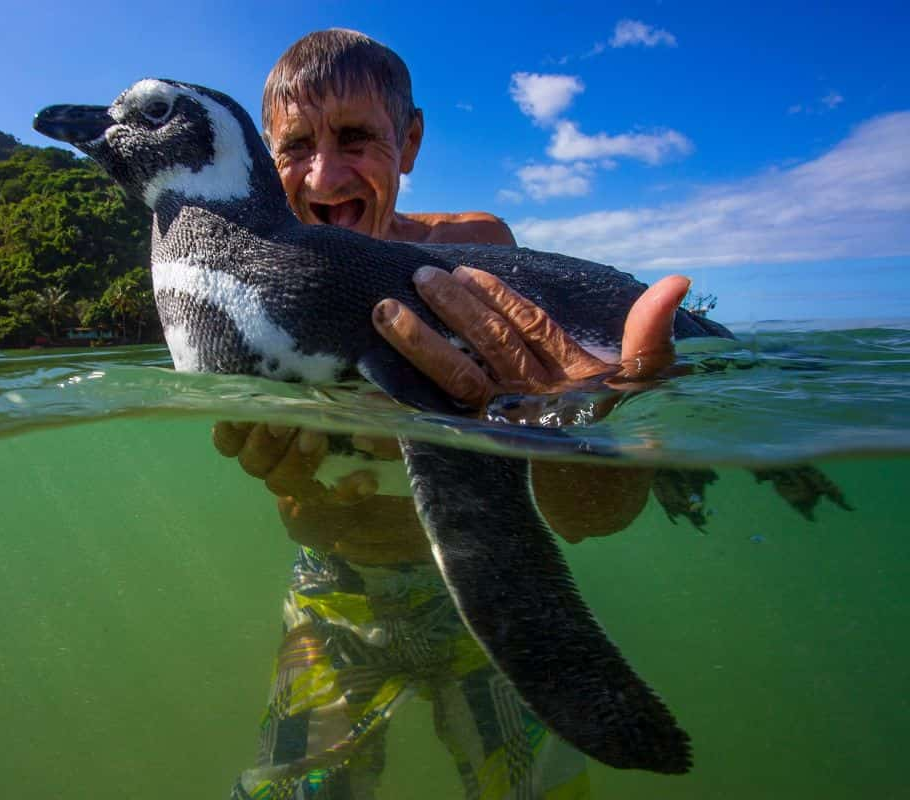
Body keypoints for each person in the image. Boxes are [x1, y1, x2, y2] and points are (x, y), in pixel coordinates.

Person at [223, 29, 688, 800]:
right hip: (330, 594)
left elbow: (583, 513)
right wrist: (276, 464)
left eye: (356, 138)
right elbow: (280, 464)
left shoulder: (474, 252)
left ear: (408, 143)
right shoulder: (255, 294)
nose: (323, 173)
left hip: (465, 593)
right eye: (294, 145)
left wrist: (584, 412)